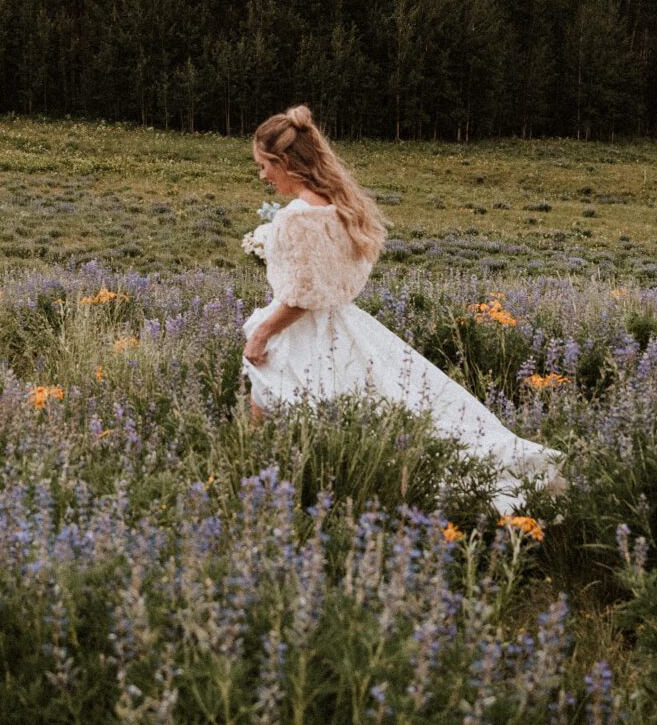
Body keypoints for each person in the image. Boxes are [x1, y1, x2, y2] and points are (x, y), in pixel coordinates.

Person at [240, 105, 561, 514]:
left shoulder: (298, 217)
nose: (263, 176)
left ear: (285, 162)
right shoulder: (340, 207)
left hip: (306, 330)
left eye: (265, 165)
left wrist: (264, 331)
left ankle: (262, 486)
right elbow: (334, 281)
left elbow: (302, 296)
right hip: (344, 324)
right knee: (377, 407)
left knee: (277, 402)